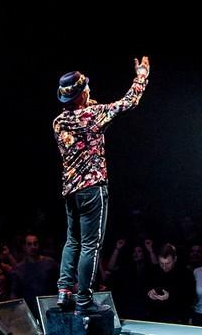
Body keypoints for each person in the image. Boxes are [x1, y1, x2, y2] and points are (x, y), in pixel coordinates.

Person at [54, 57, 150, 314]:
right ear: (82, 93)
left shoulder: (59, 122)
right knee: (90, 245)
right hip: (92, 188)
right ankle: (84, 299)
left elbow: (81, 112)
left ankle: (64, 291)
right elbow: (129, 101)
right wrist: (141, 75)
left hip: (70, 191)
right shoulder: (94, 115)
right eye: (86, 88)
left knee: (72, 241)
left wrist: (85, 101)